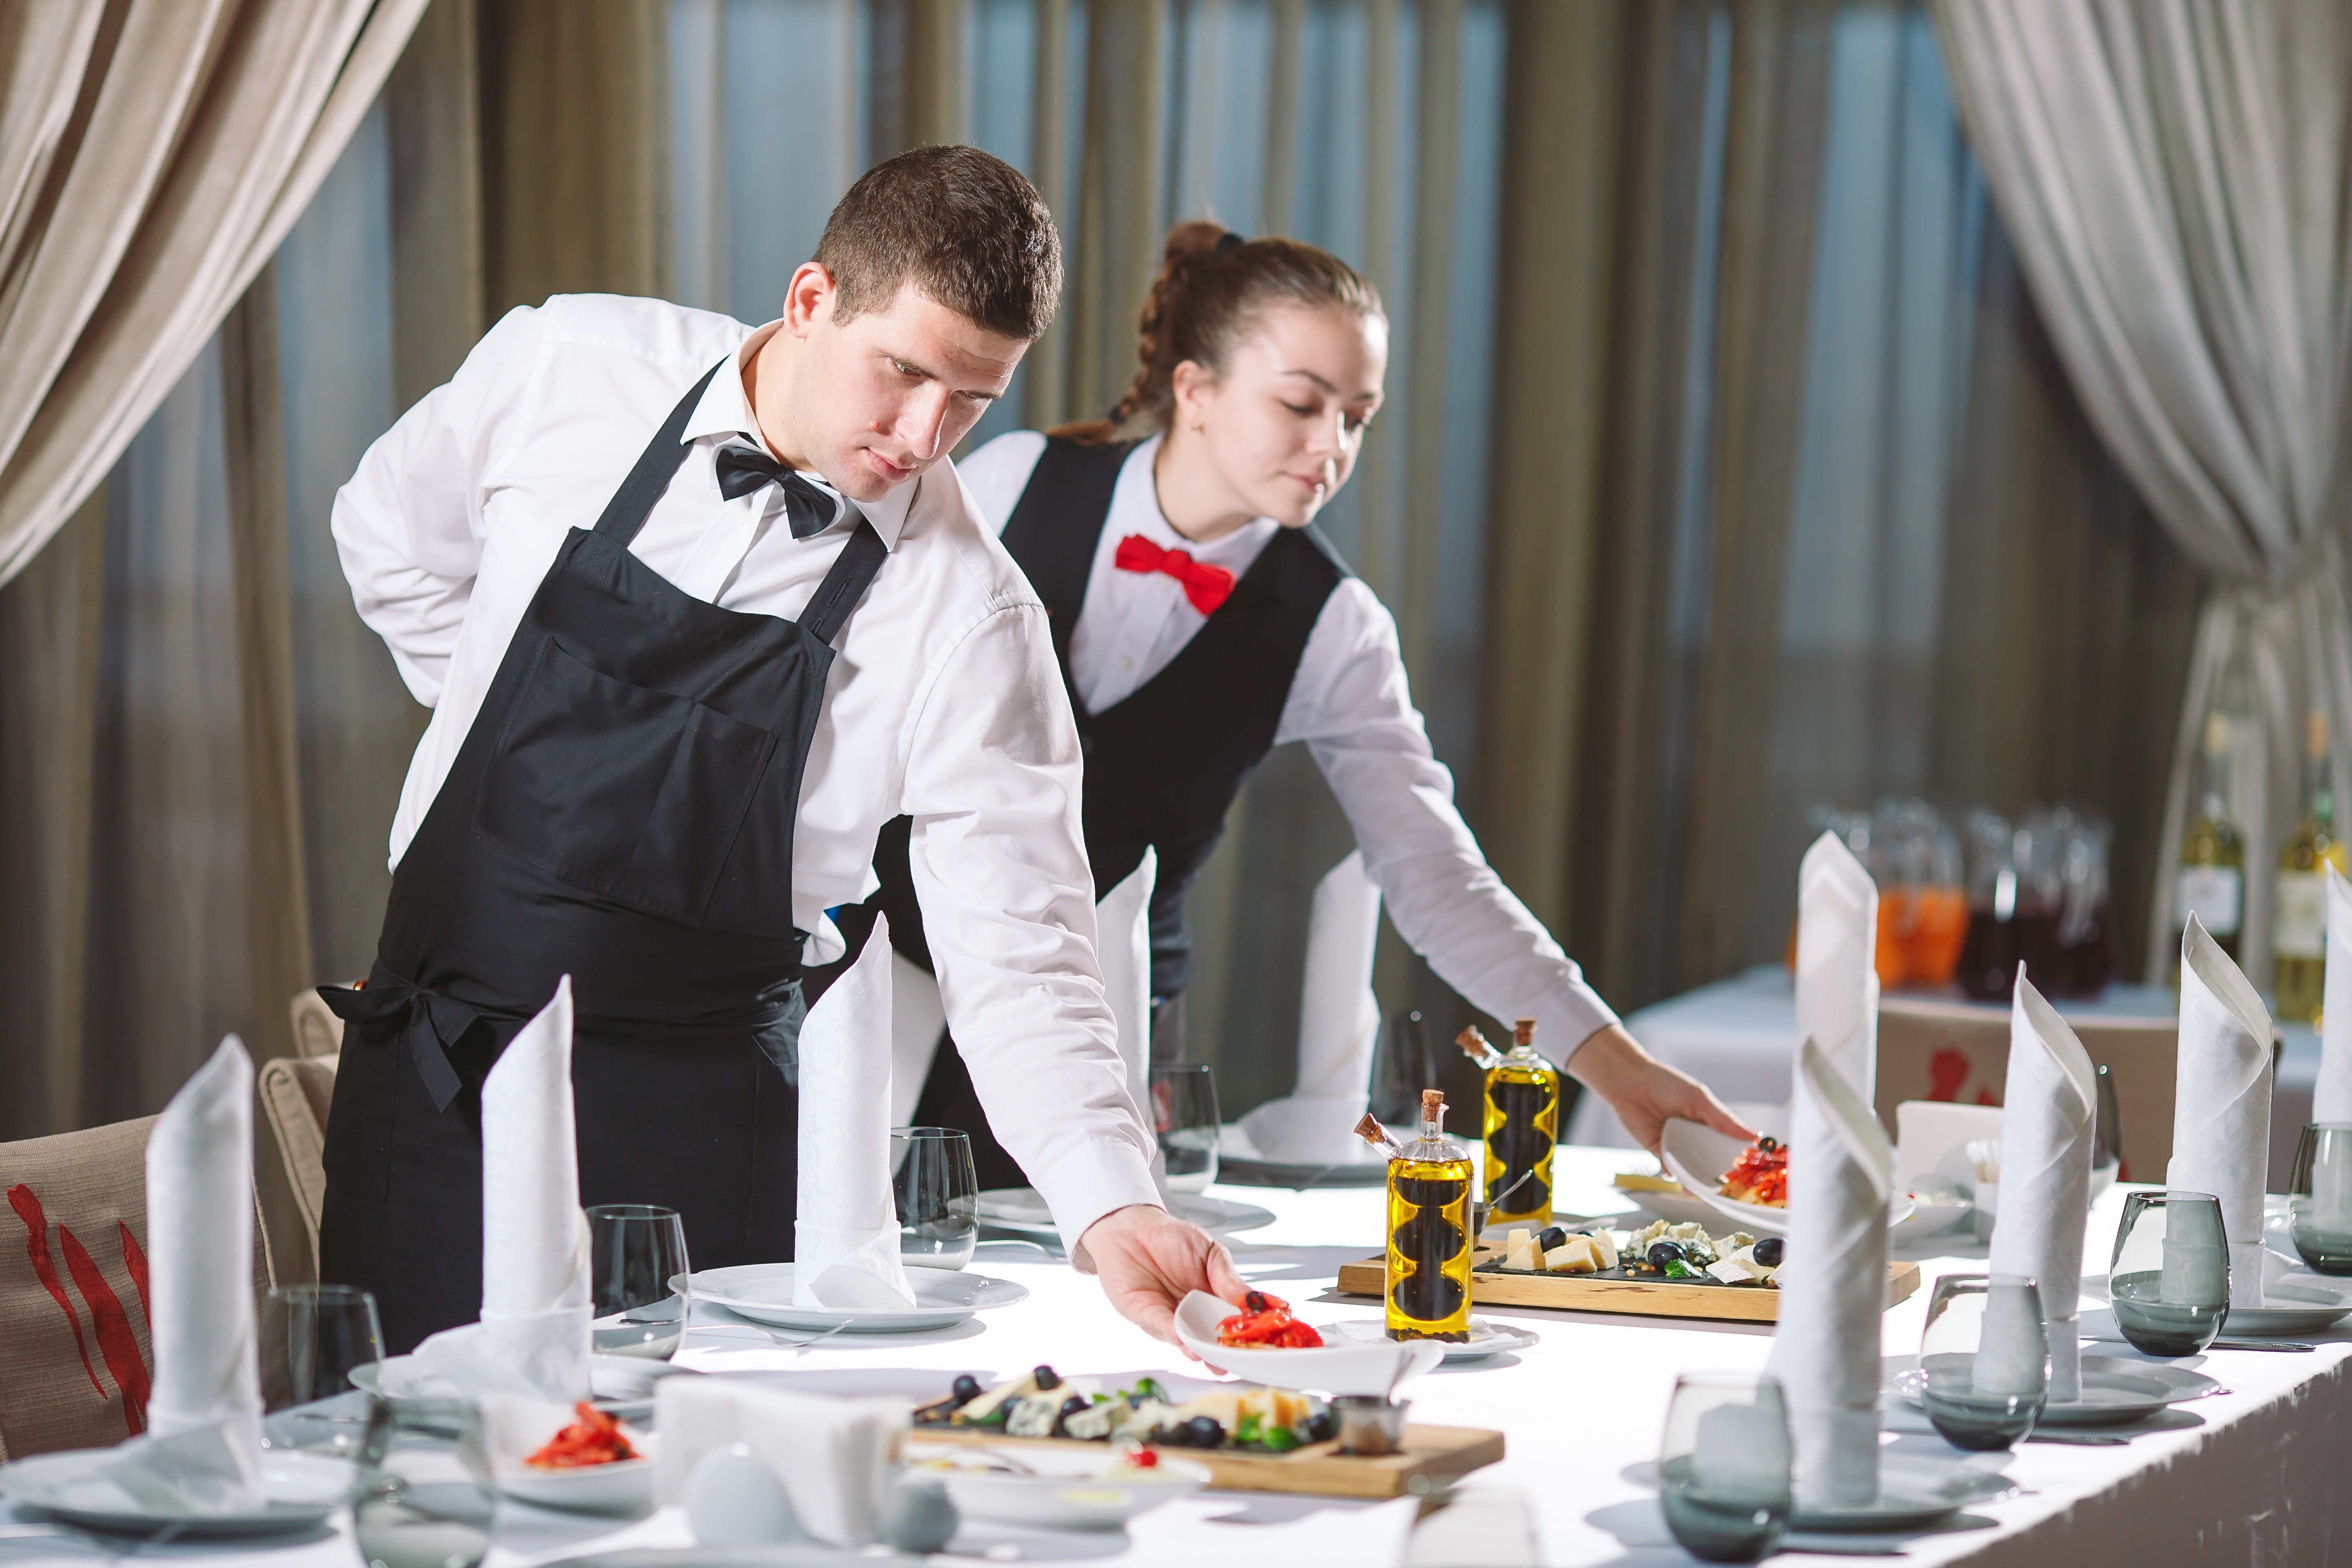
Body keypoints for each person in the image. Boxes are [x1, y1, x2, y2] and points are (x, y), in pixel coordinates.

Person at [318, 147, 1241, 1354]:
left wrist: (1114, 1202)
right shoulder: (567, 368)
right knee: (398, 1493)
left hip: (708, 1140)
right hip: (445, 1092)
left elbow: (1023, 954)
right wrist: (511, 749)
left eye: (972, 400)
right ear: (811, 301)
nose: (923, 435)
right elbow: (388, 539)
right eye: (904, 374)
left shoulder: (974, 618)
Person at [880, 222, 1751, 1189]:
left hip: (1096, 1026)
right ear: (1196, 391)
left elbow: (1436, 876)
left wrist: (1615, 1065)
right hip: (888, 980)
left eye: (1357, 418)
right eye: (1301, 404)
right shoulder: (1006, 484)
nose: (1330, 446)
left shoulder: (1336, 628)